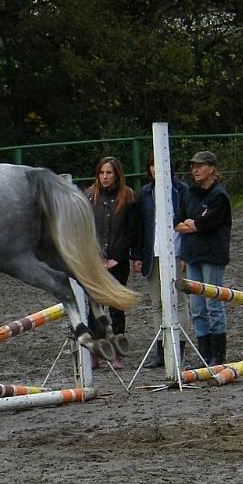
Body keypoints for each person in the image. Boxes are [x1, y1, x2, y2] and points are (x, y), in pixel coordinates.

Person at [134, 153, 193, 368]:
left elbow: (188, 223)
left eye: (159, 165)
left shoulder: (182, 190)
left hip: (176, 252)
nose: (155, 169)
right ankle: (161, 348)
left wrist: (185, 253)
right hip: (153, 253)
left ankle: (180, 346)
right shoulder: (145, 193)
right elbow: (140, 227)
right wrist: (138, 255)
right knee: (156, 302)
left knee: (179, 301)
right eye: (152, 165)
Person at [175, 150, 232, 365]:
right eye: (193, 166)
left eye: (199, 166)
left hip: (212, 254)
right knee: (197, 308)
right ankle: (204, 353)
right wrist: (194, 224)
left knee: (213, 304)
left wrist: (193, 224)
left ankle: (218, 355)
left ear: (211, 168)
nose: (195, 170)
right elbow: (179, 222)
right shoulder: (190, 193)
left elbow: (205, 224)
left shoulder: (219, 196)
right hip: (193, 255)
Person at [86, 156, 140, 368]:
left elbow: (132, 231)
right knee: (94, 307)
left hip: (118, 260)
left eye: (109, 173)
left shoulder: (128, 197)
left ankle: (116, 349)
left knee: (116, 307)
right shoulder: (89, 197)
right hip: (94, 260)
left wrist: (118, 257)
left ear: (117, 174)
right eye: (102, 173)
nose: (105, 177)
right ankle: (96, 351)